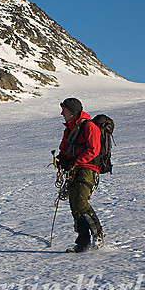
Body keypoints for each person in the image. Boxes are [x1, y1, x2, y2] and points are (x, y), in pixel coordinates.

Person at [57, 97, 105, 252]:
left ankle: (98, 234)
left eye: (64, 110)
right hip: (74, 170)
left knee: (80, 202)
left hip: (87, 169)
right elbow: (63, 149)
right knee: (74, 206)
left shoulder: (90, 127)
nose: (62, 113)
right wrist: (61, 159)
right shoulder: (68, 130)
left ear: (72, 112)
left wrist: (75, 162)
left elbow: (93, 150)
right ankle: (82, 242)